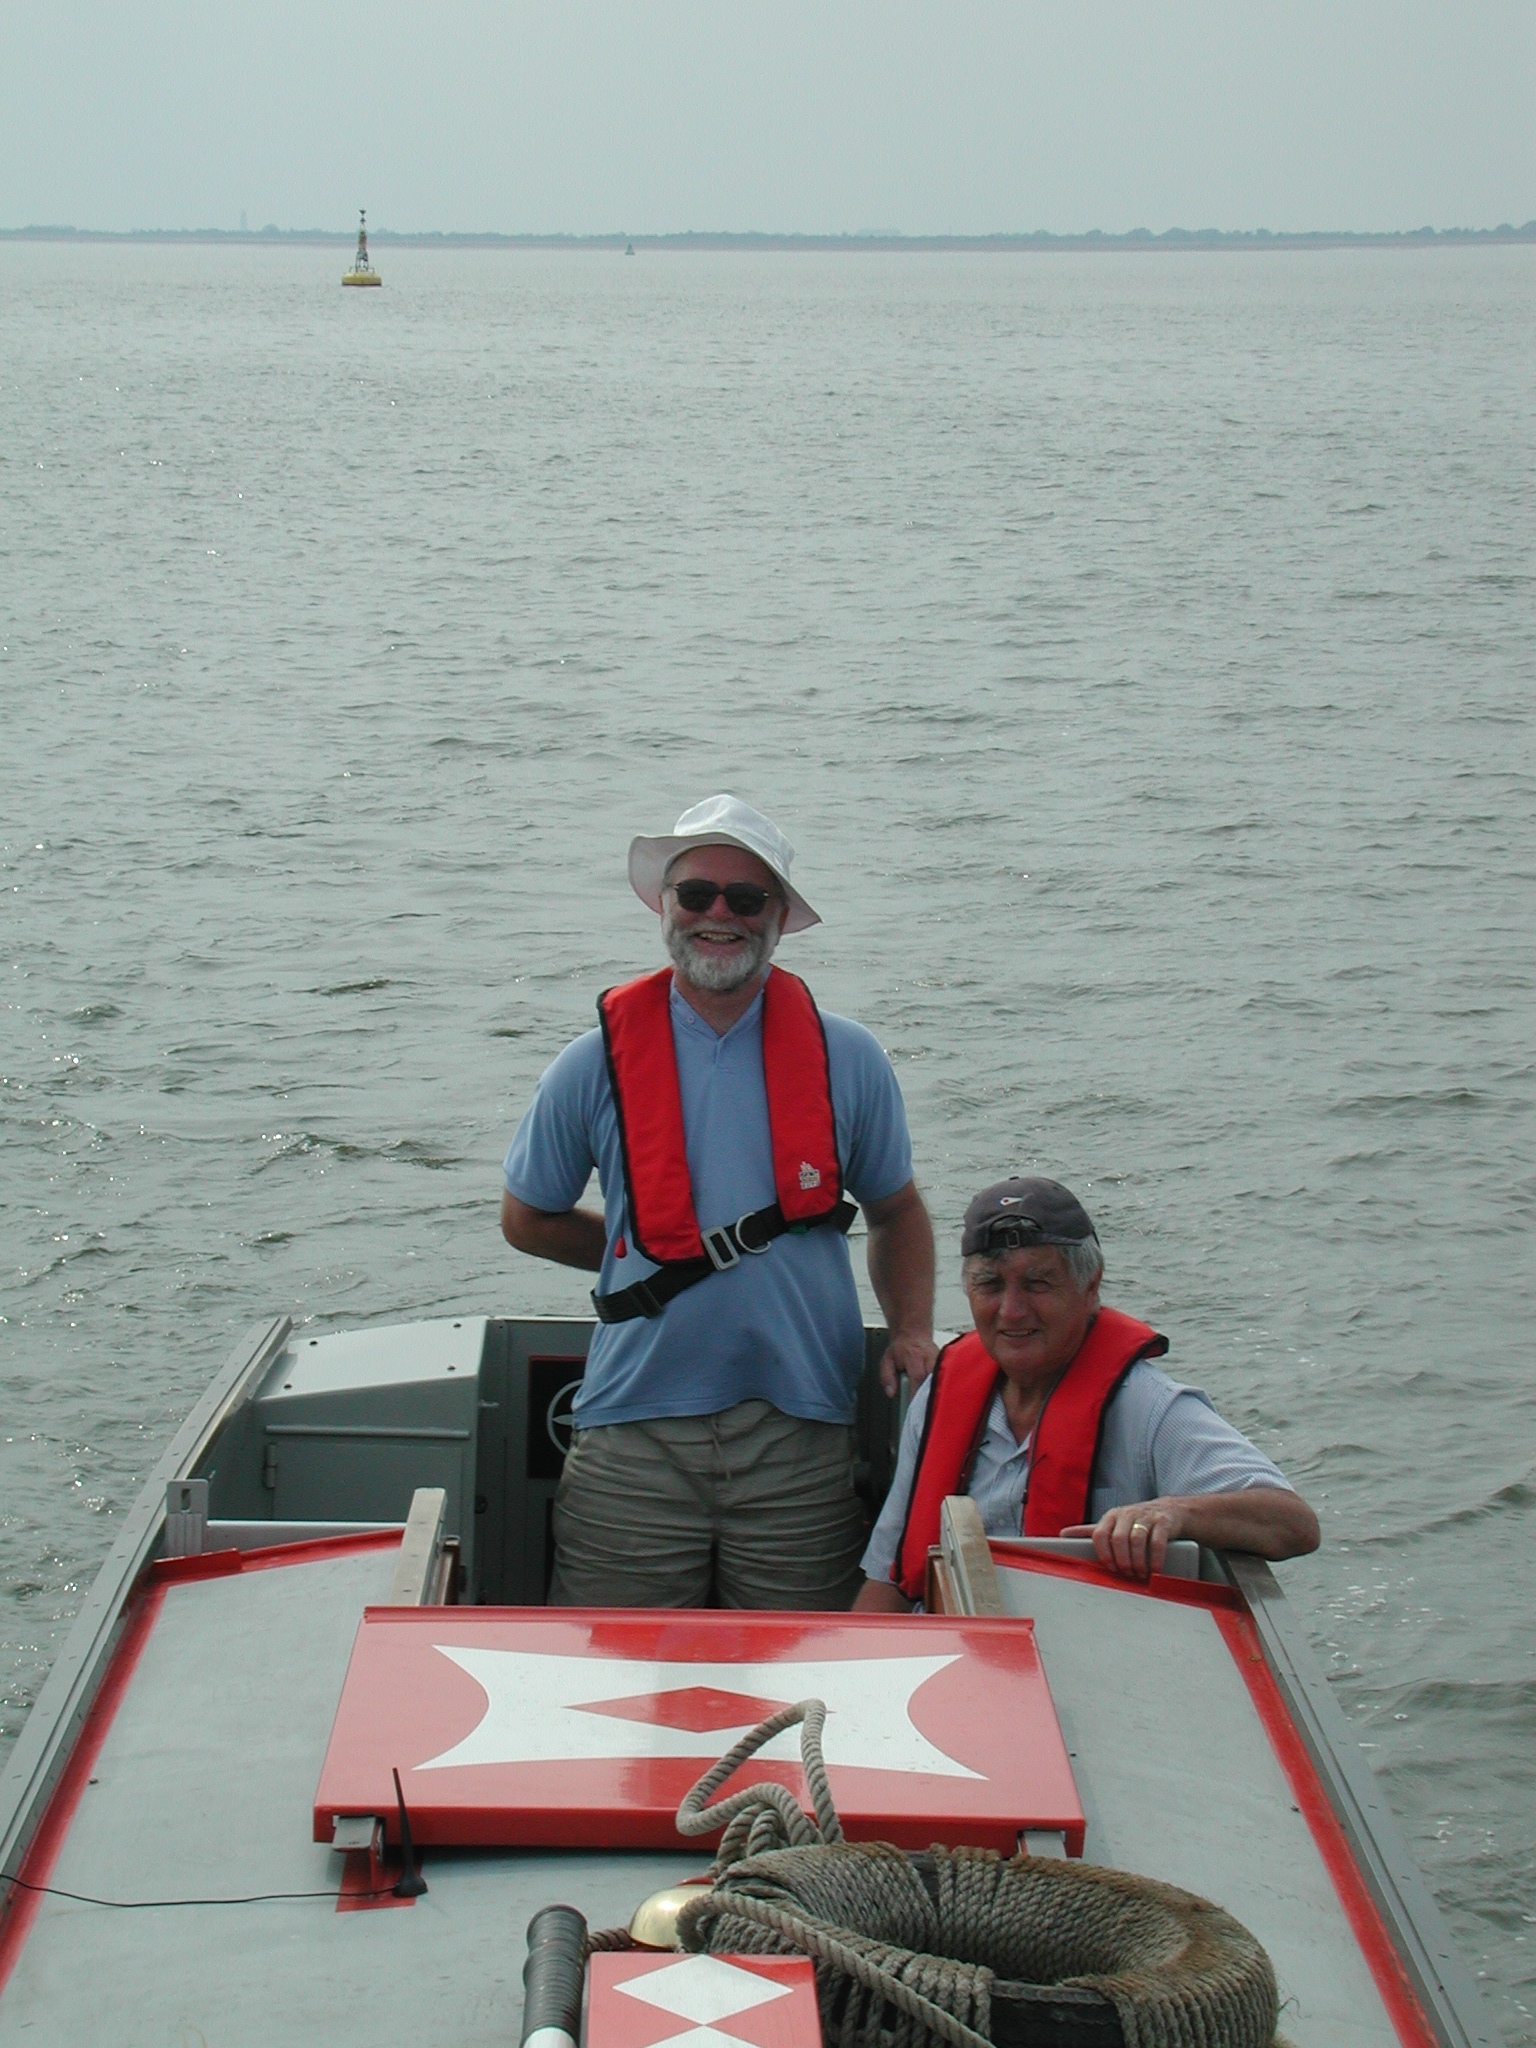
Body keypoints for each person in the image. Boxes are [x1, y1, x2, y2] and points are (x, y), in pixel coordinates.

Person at [501, 794, 938, 1610]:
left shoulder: (851, 1059)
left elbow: (898, 1212)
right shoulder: (589, 1065)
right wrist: (639, 1249)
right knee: (612, 1670)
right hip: (630, 1432)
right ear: (664, 906)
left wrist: (913, 1328)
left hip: (800, 1436)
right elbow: (526, 1219)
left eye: (746, 899)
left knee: (804, 1672)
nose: (719, 917)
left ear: (779, 917)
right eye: (697, 894)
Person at [855, 1176, 1318, 1609]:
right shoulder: (939, 1397)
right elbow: (888, 1579)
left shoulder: (1149, 1408)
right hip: (959, 1647)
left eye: (1037, 1284)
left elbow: (1294, 1524)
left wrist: (1171, 1513)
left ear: (1090, 1286)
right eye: (990, 1285)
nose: (1011, 1311)